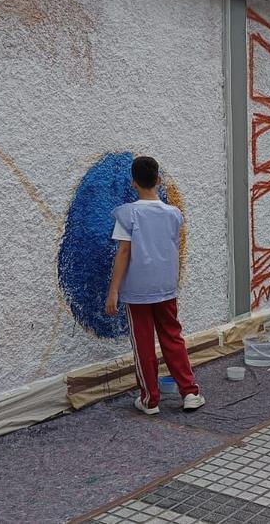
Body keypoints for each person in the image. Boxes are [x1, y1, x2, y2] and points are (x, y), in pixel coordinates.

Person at [106, 156, 206, 415]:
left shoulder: (127, 214)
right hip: (165, 286)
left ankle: (150, 399)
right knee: (173, 336)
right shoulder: (174, 214)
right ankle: (190, 392)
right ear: (158, 180)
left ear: (133, 183)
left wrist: (113, 290)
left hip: (138, 290)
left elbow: (124, 252)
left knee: (143, 343)